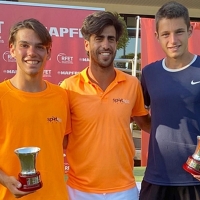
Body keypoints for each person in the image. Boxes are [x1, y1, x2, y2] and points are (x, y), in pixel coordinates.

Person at [60, 11, 151, 200]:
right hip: (80, 191)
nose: (105, 45)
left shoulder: (132, 84)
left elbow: (145, 122)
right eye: (99, 38)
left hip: (124, 190)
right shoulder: (68, 87)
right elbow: (60, 139)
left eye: (111, 39)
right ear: (87, 44)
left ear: (116, 44)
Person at [0, 18, 71, 200]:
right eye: (24, 45)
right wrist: (5, 180)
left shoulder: (61, 96)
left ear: (48, 52)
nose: (32, 53)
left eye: (39, 47)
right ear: (12, 49)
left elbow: (64, 143)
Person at [139, 1, 200, 200]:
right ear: (156, 36)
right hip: (156, 179)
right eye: (166, 34)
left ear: (190, 31)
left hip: (196, 180)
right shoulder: (149, 73)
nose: (173, 40)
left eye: (179, 32)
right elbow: (140, 115)